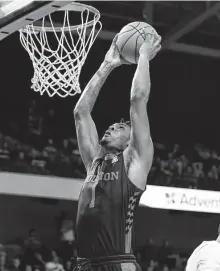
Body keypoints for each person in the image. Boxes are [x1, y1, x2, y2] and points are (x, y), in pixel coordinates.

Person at [73, 30, 161, 271]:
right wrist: (107, 65)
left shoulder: (134, 161)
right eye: (112, 124)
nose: (112, 126)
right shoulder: (94, 164)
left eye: (121, 126)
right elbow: (81, 114)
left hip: (117, 263)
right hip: (84, 265)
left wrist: (143, 55)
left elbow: (138, 99)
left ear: (130, 139)